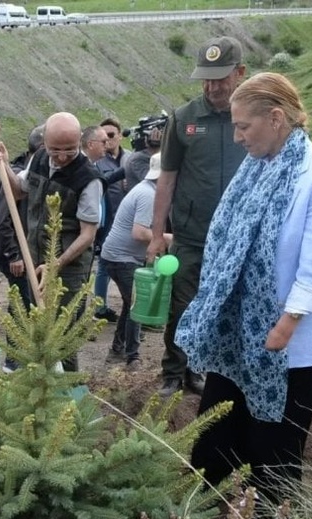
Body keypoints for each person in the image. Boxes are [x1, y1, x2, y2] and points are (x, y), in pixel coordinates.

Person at [176, 72, 312, 519]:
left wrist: (285, 324)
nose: (237, 138)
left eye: (243, 126)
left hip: (286, 340)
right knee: (216, 429)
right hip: (237, 333)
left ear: (276, 118)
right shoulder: (255, 169)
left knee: (275, 440)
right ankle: (202, 514)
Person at [146, 35, 249, 396]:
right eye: (206, 77)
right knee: (182, 305)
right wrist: (158, 235)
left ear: (240, 73)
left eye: (220, 77)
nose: (212, 86)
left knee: (226, 306)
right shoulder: (185, 118)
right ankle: (174, 371)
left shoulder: (252, 117)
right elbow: (167, 179)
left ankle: (203, 368)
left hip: (238, 236)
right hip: (192, 235)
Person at [6, 111, 104, 372]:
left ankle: (67, 395)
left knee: (62, 337)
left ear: (80, 141)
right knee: (34, 330)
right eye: (55, 150)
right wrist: (2, 163)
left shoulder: (88, 179)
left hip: (68, 270)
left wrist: (55, 264)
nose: (61, 157)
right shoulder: (39, 159)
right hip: (35, 260)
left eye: (69, 150)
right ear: (45, 144)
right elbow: (18, 191)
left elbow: (88, 234)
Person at [99, 153, 170, 371]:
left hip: (118, 256)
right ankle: (132, 357)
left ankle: (118, 349)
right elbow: (139, 232)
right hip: (121, 258)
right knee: (137, 305)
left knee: (131, 303)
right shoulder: (149, 195)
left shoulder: (146, 189)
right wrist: (170, 239)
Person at [0, 124, 44, 371]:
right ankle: (13, 361)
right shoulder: (17, 176)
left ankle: (24, 356)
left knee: (27, 301)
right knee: (21, 303)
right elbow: (2, 219)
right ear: (40, 150)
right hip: (12, 252)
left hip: (26, 251)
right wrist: (14, 254)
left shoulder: (37, 175)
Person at [93, 117, 130, 322]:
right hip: (109, 220)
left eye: (111, 135)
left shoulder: (131, 158)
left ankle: (130, 305)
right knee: (104, 265)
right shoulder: (97, 162)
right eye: (103, 136)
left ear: (120, 136)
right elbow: (99, 184)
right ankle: (100, 307)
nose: (107, 140)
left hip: (130, 219)